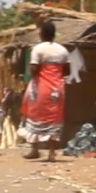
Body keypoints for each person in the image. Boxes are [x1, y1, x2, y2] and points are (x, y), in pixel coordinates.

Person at [21, 20, 70, 161]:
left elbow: (33, 70)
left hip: (40, 88)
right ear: (54, 34)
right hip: (57, 89)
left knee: (34, 115)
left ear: (41, 34)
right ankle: (52, 153)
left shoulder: (38, 49)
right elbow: (67, 71)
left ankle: (34, 150)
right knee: (55, 117)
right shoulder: (62, 50)